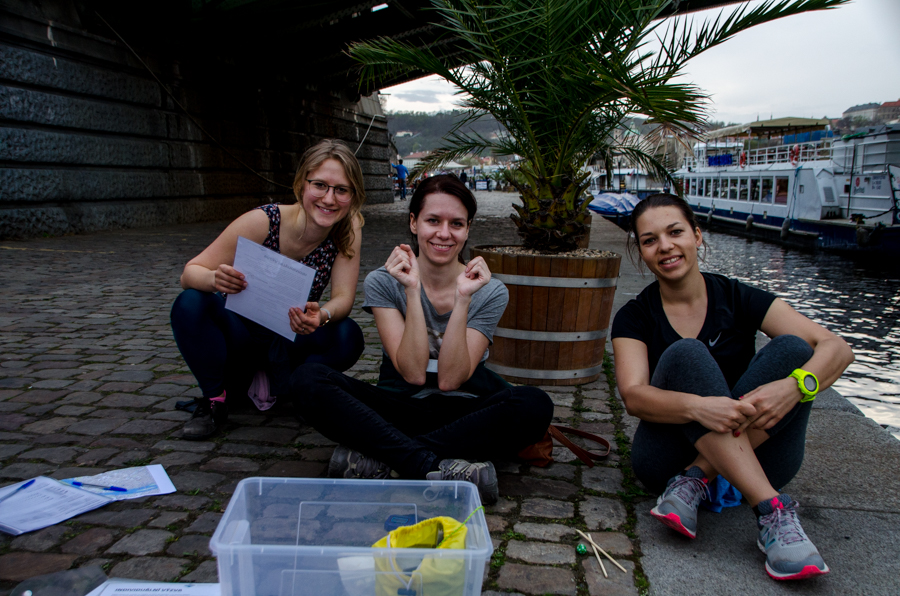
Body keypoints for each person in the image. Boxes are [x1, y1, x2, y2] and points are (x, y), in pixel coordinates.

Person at [611, 194, 854, 581]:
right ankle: (772, 510)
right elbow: (634, 397)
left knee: (794, 349)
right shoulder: (635, 316)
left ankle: (696, 477)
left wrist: (795, 387)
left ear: (697, 235)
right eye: (650, 240)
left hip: (762, 455)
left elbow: (837, 348)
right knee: (687, 353)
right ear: (641, 252)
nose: (665, 246)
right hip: (666, 458)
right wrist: (698, 408)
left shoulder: (738, 297)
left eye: (675, 232)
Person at [292, 174, 553, 504]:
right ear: (414, 223)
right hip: (399, 406)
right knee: (307, 380)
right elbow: (413, 374)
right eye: (433, 220)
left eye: (456, 224)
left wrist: (463, 299)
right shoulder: (383, 282)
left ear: (467, 229)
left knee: (535, 404)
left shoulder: (489, 290)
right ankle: (431, 466)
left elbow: (451, 380)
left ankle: (388, 457)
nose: (444, 233)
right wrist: (412, 290)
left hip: (464, 412)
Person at [170, 139, 367, 440]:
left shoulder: (347, 229)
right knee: (190, 302)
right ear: (302, 184)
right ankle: (214, 401)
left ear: (353, 196)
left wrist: (321, 315)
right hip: (240, 336)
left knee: (347, 335)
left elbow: (343, 297)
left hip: (290, 336)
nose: (329, 198)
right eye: (320, 185)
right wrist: (214, 280)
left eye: (342, 190)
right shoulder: (263, 220)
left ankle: (299, 389)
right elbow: (190, 273)